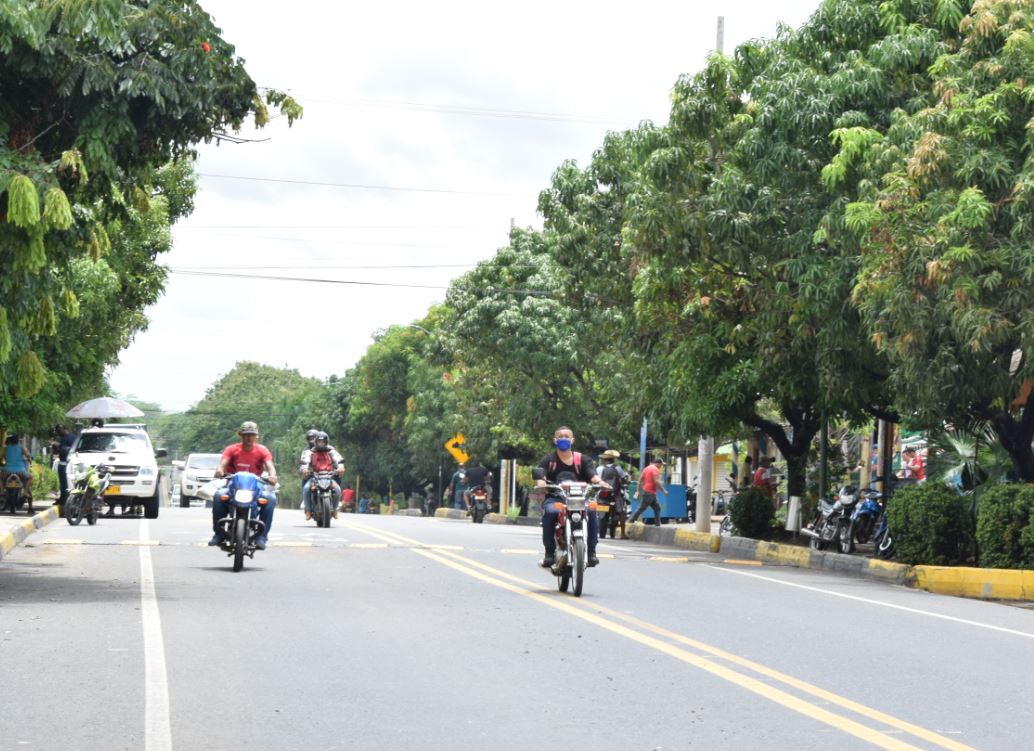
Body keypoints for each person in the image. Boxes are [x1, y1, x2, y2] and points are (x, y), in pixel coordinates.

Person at [536, 426, 606, 568]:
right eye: (560, 436)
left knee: (592, 511)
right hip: (556, 499)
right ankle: (549, 553)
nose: (563, 439)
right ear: (555, 440)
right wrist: (541, 482)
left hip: (580, 499)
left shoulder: (582, 459)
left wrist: (600, 482)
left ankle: (591, 552)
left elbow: (593, 475)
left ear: (572, 440)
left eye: (567, 436)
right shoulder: (548, 459)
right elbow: (540, 476)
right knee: (550, 512)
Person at [211, 421, 278, 549]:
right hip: (233, 485)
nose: (249, 438)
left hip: (256, 486)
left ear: (257, 436)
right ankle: (218, 534)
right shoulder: (231, 449)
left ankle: (262, 536)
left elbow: (270, 466)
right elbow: (223, 463)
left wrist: (273, 475)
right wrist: (219, 470)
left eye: (252, 435)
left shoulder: (262, 450)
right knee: (218, 496)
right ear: (240, 435)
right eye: (246, 435)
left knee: (270, 499)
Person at [300, 431, 343, 520]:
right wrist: (304, 468)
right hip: (314, 477)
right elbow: (305, 460)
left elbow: (338, 458)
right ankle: (308, 511)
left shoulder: (331, 450)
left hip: (329, 476)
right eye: (319, 442)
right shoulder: (310, 451)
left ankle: (335, 509)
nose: (321, 444)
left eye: (323, 442)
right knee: (306, 488)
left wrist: (341, 467)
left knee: (338, 489)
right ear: (316, 442)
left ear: (326, 442)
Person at [597, 449, 631, 539]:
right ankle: (623, 534)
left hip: (602, 495)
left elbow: (594, 480)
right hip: (615, 495)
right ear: (613, 459)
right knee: (622, 512)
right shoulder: (618, 468)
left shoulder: (599, 468)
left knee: (597, 511)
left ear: (604, 459)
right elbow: (625, 479)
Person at [630, 457, 668, 526]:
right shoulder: (655, 469)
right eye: (661, 465)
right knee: (642, 508)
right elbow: (656, 481)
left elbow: (640, 480)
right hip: (649, 492)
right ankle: (631, 520)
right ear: (658, 464)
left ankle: (658, 523)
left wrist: (637, 491)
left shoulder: (646, 468)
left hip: (649, 492)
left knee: (657, 508)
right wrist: (664, 490)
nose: (661, 466)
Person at [52, 425, 77, 505]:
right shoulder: (64, 438)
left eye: (59, 430)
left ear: (64, 429)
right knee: (63, 484)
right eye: (57, 431)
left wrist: (60, 447)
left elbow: (66, 450)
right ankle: (63, 499)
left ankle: (66, 500)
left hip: (67, 464)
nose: (58, 432)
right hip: (64, 463)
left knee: (66, 484)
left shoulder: (72, 438)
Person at [2, 434, 33, 500]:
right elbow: (28, 455)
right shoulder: (21, 447)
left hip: (7, 470)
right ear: (18, 441)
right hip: (20, 470)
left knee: (0, 478)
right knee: (30, 477)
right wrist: (30, 460)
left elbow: (2, 457)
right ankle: (25, 492)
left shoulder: (5, 448)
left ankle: (2, 491)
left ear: (10, 441)